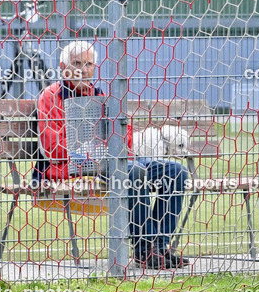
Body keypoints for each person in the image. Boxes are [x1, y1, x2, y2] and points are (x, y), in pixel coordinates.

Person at [37, 41, 190, 270]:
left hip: (110, 162)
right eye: (76, 63)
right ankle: (145, 250)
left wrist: (101, 146)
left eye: (88, 64)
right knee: (132, 171)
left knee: (175, 172)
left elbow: (125, 139)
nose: (83, 70)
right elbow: (52, 147)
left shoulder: (102, 96)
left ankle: (160, 247)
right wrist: (95, 147)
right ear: (63, 67)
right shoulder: (50, 97)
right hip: (71, 168)